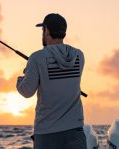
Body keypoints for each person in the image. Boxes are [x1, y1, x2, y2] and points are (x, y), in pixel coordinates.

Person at [16, 13, 87, 149]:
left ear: (47, 31)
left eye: (43, 30)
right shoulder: (79, 56)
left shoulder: (37, 58)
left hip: (47, 133)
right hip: (76, 132)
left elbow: (26, 91)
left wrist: (21, 79)